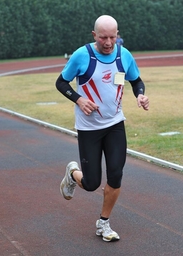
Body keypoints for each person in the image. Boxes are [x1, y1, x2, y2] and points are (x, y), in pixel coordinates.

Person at [55, 15, 149, 242]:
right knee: (91, 183)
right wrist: (79, 99)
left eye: (113, 37)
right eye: (104, 37)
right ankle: (72, 173)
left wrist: (141, 95)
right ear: (94, 35)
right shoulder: (82, 56)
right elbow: (61, 82)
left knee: (116, 174)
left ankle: (103, 223)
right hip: (89, 129)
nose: (108, 43)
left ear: (118, 35)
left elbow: (136, 81)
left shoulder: (123, 54)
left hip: (115, 124)